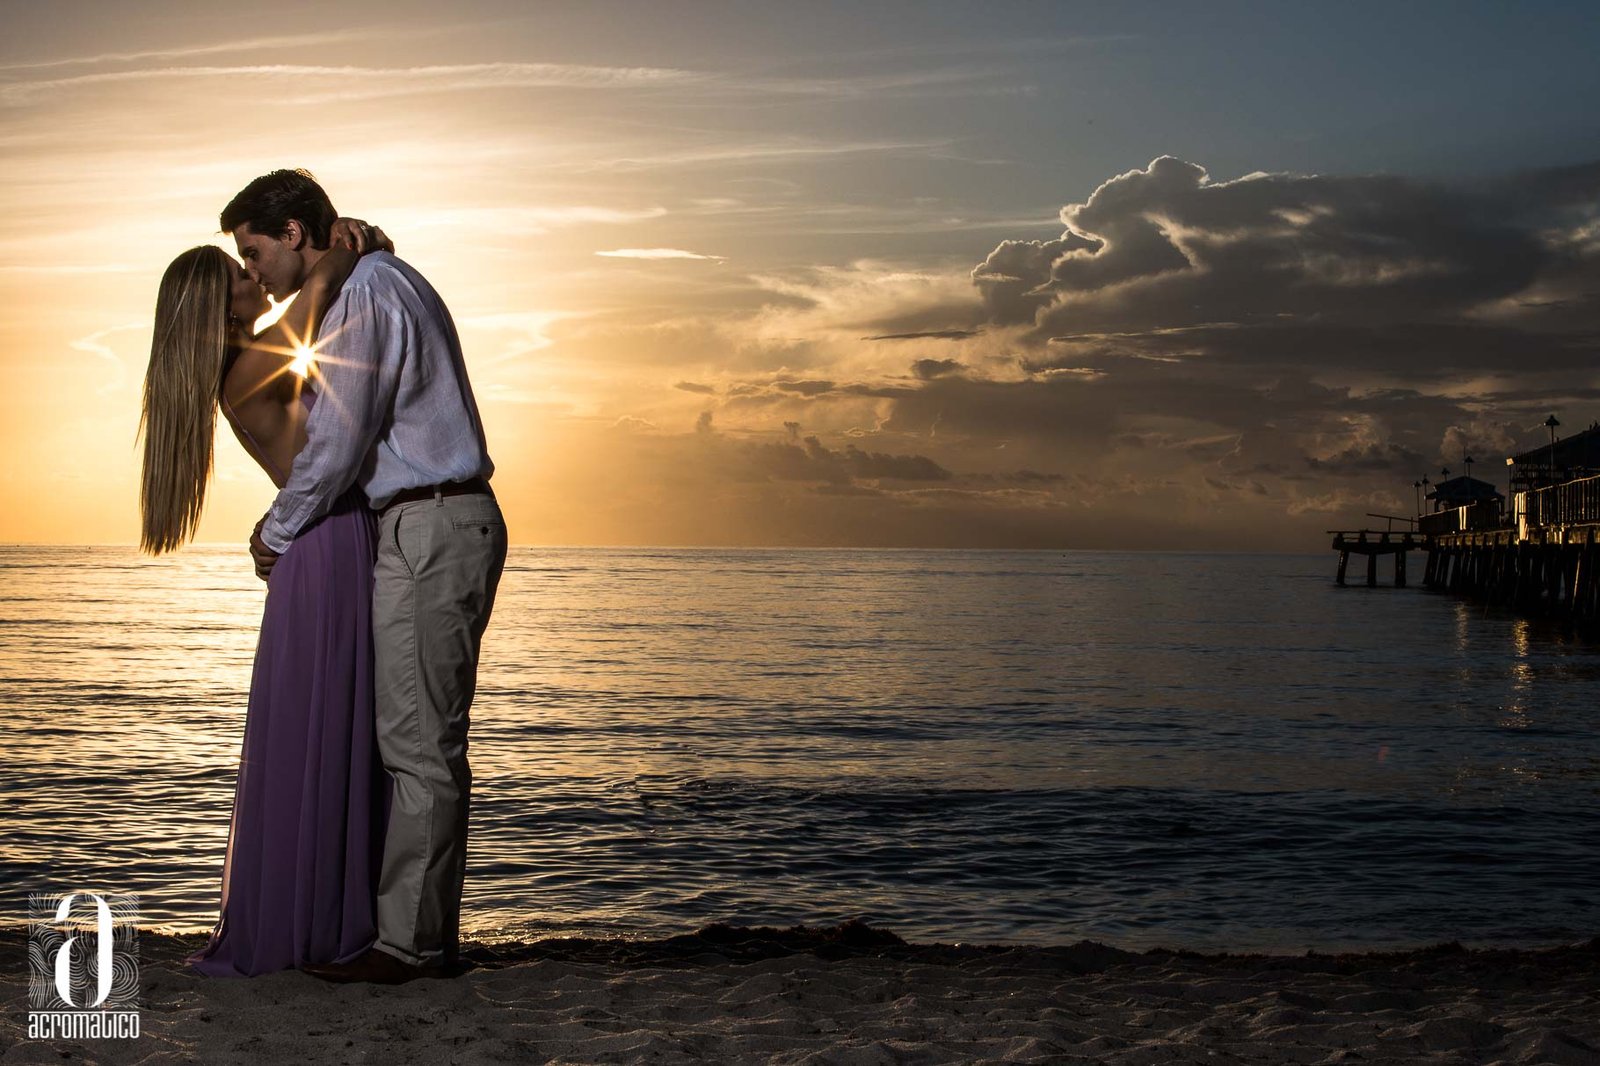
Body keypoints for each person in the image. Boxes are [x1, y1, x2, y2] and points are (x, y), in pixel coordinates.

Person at [222, 169, 508, 984]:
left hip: (429, 521)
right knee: (416, 742)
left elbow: (337, 449)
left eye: (254, 252)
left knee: (418, 747)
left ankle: (408, 949)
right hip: (424, 522)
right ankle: (415, 937)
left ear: (294, 236)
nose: (255, 272)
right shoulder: (370, 281)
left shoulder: (365, 297)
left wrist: (275, 534)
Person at [139, 218, 392, 976]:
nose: (255, 275)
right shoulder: (252, 366)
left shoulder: (240, 368)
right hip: (331, 543)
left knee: (319, 730)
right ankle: (325, 924)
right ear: (224, 305)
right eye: (241, 272)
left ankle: (322, 913)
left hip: (320, 548)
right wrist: (359, 243)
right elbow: (320, 284)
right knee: (333, 728)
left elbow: (307, 298)